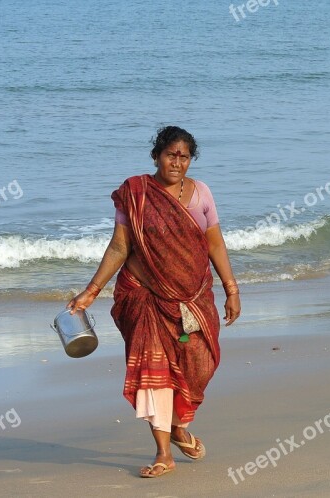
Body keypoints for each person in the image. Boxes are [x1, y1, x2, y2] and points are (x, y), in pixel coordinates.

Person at [68, 126, 241, 478]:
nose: (177, 162)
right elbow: (120, 246)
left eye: (184, 156)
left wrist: (231, 288)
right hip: (145, 295)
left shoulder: (202, 192)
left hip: (193, 296)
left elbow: (214, 243)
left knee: (198, 365)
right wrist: (91, 290)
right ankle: (164, 453)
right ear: (156, 155)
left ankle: (178, 427)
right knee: (154, 375)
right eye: (170, 154)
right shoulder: (136, 193)